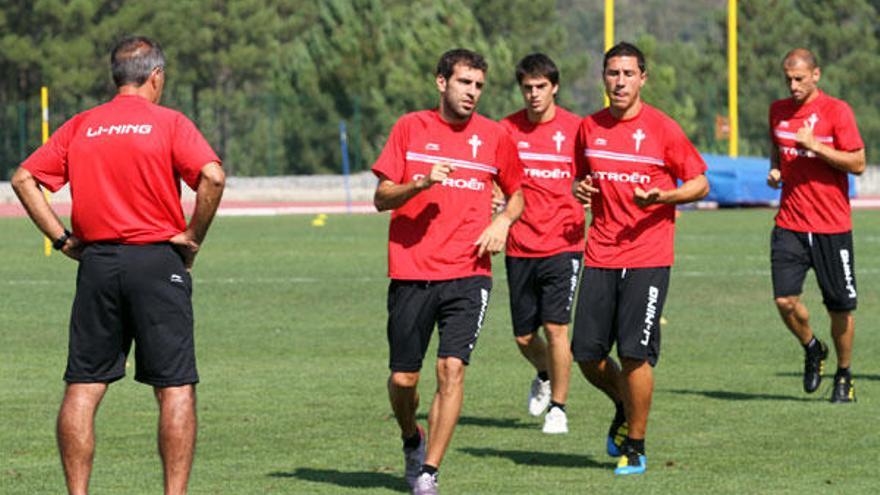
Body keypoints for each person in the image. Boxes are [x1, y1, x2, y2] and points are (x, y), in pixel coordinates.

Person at [11, 36, 225, 495]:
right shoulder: (169, 122)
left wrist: (61, 238)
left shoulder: (82, 124)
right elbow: (213, 175)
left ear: (115, 77)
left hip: (98, 264)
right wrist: (193, 237)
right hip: (156, 261)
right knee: (175, 388)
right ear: (156, 77)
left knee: (84, 386)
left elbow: (24, 178)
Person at [372, 48, 523, 495]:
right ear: (441, 82)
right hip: (411, 270)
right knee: (404, 380)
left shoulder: (495, 136)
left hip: (469, 271)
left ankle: (430, 473)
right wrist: (417, 184)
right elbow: (381, 198)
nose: (472, 93)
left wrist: (502, 221)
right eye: (464, 83)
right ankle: (411, 438)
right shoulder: (409, 128)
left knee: (451, 368)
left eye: (478, 85)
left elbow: (518, 193)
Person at [570, 42, 709, 476]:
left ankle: (637, 444)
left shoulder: (663, 129)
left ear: (642, 78)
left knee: (634, 355)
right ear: (604, 77)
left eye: (628, 73)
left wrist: (664, 196)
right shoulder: (588, 128)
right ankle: (622, 402)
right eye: (613, 73)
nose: (620, 81)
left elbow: (700, 183)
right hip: (601, 252)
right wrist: (580, 190)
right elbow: (581, 178)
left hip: (648, 255)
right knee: (586, 353)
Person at [767, 48, 865, 403]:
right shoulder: (778, 111)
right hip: (790, 223)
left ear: (816, 75)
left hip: (831, 226)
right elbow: (776, 147)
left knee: (840, 307)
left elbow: (857, 163)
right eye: (787, 79)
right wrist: (776, 168)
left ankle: (844, 374)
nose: (792, 85)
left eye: (799, 79)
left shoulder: (837, 111)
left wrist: (815, 147)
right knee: (784, 300)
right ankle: (812, 347)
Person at [499, 53, 583, 434]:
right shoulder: (506, 130)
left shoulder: (577, 130)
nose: (533, 94)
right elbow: (492, 177)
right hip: (519, 243)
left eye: (540, 87)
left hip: (564, 243)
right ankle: (545, 373)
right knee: (523, 336)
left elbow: (594, 176)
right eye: (527, 88)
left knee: (557, 328)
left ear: (555, 88)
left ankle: (559, 409)